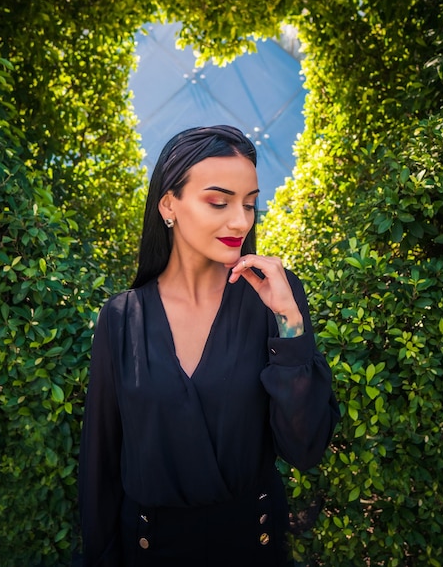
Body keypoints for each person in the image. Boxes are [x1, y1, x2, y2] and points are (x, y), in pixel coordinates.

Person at [79, 125, 340, 567]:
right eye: (219, 202)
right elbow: (100, 465)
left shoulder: (273, 299)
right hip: (146, 551)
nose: (241, 221)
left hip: (252, 550)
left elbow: (306, 448)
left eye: (250, 203)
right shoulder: (121, 319)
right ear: (168, 205)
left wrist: (290, 325)